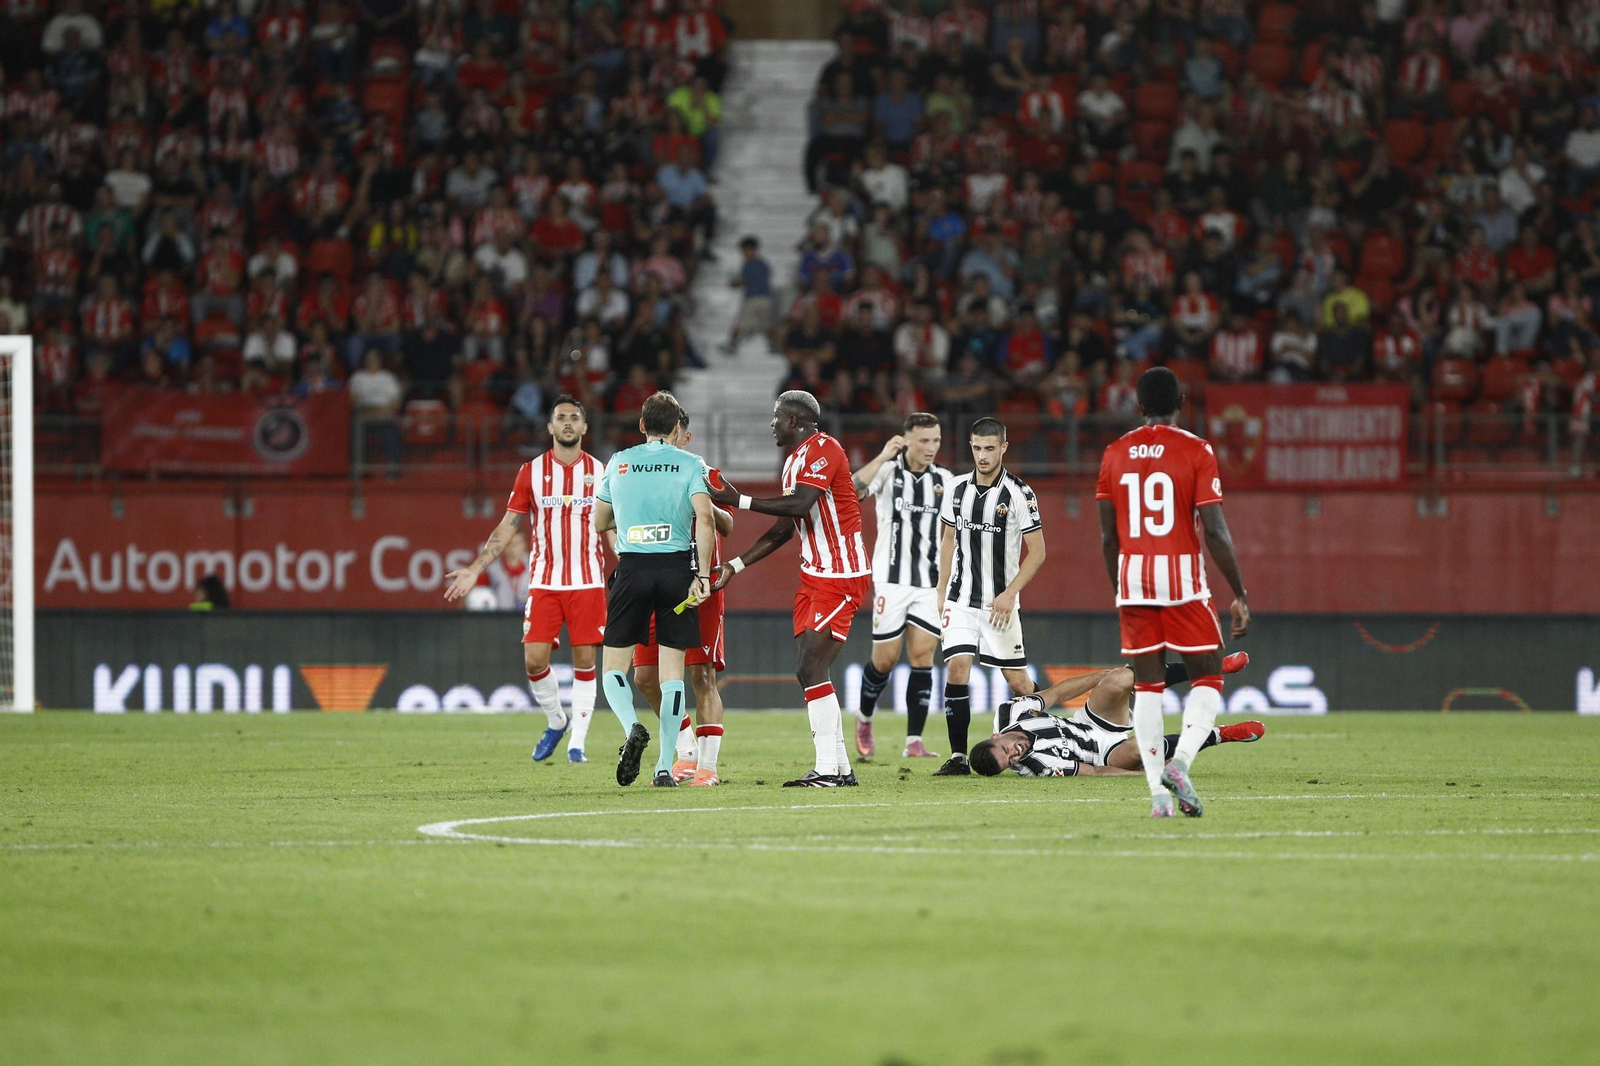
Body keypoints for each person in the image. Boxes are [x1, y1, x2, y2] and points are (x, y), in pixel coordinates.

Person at [1095, 366, 1251, 818]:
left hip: (1133, 580)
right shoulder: (1196, 450)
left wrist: (1119, 588)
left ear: (1138, 406)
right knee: (1208, 675)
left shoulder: (1114, 453)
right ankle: (1180, 762)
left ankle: (1157, 797)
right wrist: (1239, 592)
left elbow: (1108, 538)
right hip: (1182, 577)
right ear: (1181, 401)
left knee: (1147, 686)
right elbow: (1216, 532)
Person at [708, 390, 870, 787]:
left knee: (810, 667)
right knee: (809, 670)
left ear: (795, 421)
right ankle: (840, 768)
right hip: (813, 575)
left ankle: (828, 770)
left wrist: (739, 499)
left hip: (840, 573)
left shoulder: (825, 449)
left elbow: (799, 505)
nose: (772, 424)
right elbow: (786, 527)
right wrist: (736, 563)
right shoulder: (794, 462)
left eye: (777, 417)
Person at [444, 397, 614, 763]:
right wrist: (475, 568)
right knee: (534, 661)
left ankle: (577, 745)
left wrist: (629, 562)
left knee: (585, 659)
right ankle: (557, 721)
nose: (567, 423)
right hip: (545, 582)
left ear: (585, 428)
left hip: (587, 581)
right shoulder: (531, 472)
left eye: (574, 418)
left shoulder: (602, 473)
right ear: (550, 428)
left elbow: (612, 527)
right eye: (560, 418)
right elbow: (509, 526)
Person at [592, 392, 716, 787]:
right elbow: (706, 519)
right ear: (678, 428)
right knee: (671, 675)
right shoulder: (690, 463)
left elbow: (599, 522)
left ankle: (632, 727)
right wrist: (704, 576)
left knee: (614, 668)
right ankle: (665, 766)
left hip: (632, 568)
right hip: (677, 571)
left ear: (642, 425)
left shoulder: (619, 462)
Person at [932, 417, 1045, 776]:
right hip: (961, 599)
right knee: (957, 669)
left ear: (1004, 448)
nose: (982, 456)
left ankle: (1046, 740)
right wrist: (941, 588)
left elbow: (1038, 551)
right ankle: (957, 757)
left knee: (1019, 684)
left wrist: (1010, 593)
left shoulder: (1019, 493)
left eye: (990, 448)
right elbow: (948, 538)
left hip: (999, 605)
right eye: (977, 448)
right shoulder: (956, 488)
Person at [628, 410, 734, 785]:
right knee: (644, 676)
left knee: (700, 675)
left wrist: (702, 500)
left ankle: (707, 767)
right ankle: (686, 749)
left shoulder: (700, 469)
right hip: (653, 580)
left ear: (684, 438)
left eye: (675, 436)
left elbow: (728, 524)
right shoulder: (634, 470)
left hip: (697, 585)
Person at [969, 655, 1261, 778]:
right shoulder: (1039, 766)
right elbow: (1094, 772)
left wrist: (1102, 677)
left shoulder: (1011, 712)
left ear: (996, 735)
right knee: (1139, 745)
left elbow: (1056, 694)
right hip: (1105, 755)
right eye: (1010, 762)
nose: (1015, 754)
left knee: (1120, 679)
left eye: (1007, 749)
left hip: (1090, 722)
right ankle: (1222, 735)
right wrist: (1144, 775)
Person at [850, 414, 952, 760]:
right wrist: (881, 456)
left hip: (929, 584)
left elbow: (954, 534)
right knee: (885, 660)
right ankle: (864, 718)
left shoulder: (946, 480)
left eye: (936, 441)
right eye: (924, 440)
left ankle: (914, 741)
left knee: (923, 656)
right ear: (907, 440)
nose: (931, 448)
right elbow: (852, 490)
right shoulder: (888, 471)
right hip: (890, 581)